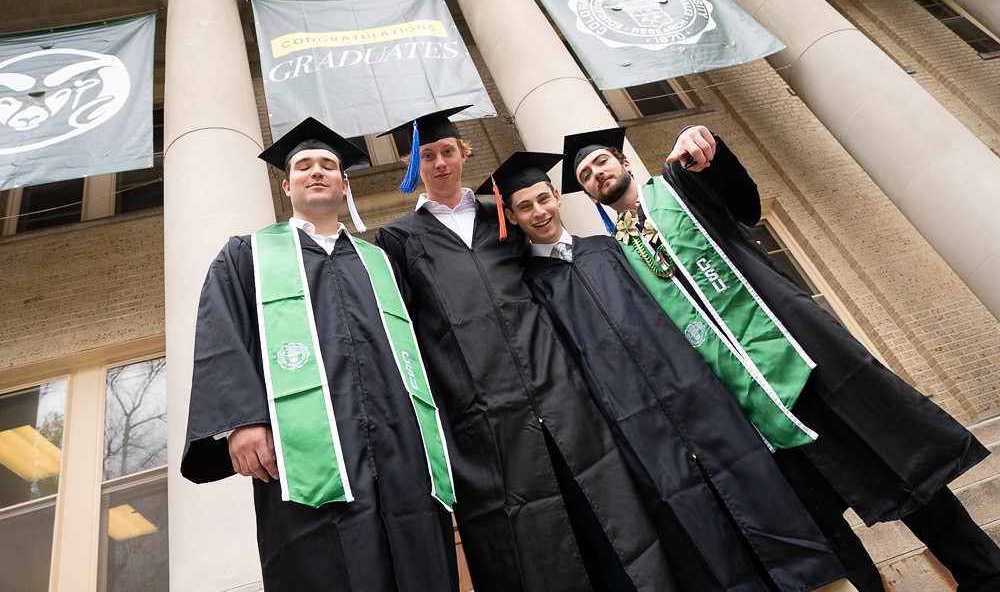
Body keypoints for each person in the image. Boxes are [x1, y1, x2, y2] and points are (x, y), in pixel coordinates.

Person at [565, 124, 1000, 592]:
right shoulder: (619, 256)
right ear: (589, 194)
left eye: (601, 162)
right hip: (752, 407)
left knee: (903, 473)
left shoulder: (678, 187)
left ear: (625, 162)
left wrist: (702, 144)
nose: (596, 174)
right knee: (821, 529)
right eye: (586, 175)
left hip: (805, 364)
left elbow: (744, 204)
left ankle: (985, 576)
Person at [491, 150, 852, 592]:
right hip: (630, 421)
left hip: (694, 390)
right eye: (525, 206)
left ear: (557, 197)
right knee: (693, 524)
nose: (539, 212)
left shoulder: (612, 248)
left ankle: (819, 582)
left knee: (758, 488)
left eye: (543, 199)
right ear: (512, 215)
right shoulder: (528, 290)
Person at [374, 107, 675, 592]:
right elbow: (405, 327)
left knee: (603, 509)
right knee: (536, 535)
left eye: (448, 151)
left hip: (555, 386)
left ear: (463, 154)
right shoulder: (398, 237)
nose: (440, 163)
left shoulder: (501, 215)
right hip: (483, 409)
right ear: (415, 165)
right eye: (427, 156)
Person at [180, 117, 459, 591]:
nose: (317, 172)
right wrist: (243, 421)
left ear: (344, 184)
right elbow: (221, 337)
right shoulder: (247, 256)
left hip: (401, 452)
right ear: (286, 186)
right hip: (303, 459)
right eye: (304, 166)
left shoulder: (381, 261)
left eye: (328, 165)